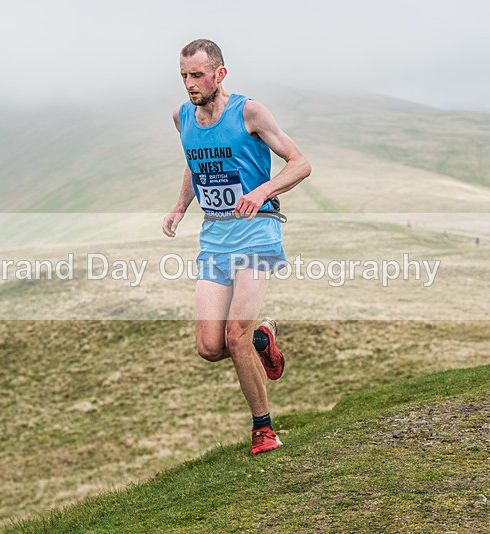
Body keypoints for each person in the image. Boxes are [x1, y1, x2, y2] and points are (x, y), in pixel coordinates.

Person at [162, 39, 311, 455]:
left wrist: (262, 191)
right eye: (183, 76)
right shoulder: (182, 118)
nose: (189, 85)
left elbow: (300, 162)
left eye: (197, 75)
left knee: (234, 337)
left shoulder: (249, 112)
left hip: (256, 231)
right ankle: (263, 339)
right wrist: (179, 207)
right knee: (210, 347)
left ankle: (263, 429)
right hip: (214, 238)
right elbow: (196, 164)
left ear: (220, 74)